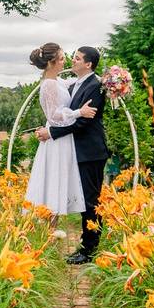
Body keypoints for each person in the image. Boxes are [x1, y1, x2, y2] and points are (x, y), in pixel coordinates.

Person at [37, 46, 109, 264]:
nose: (72, 60)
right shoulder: (76, 83)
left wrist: (51, 132)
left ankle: (89, 250)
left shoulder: (95, 86)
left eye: (77, 58)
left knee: (90, 202)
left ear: (88, 64)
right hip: (79, 151)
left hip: (91, 151)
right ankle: (87, 245)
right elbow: (60, 110)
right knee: (86, 200)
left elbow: (83, 122)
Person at [24, 43, 97, 233]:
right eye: (63, 58)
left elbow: (77, 83)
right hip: (56, 142)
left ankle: (50, 234)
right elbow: (54, 116)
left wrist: (109, 80)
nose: (66, 61)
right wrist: (79, 112)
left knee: (57, 183)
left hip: (63, 140)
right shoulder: (48, 85)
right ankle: (48, 234)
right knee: (52, 183)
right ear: (51, 62)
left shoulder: (56, 82)